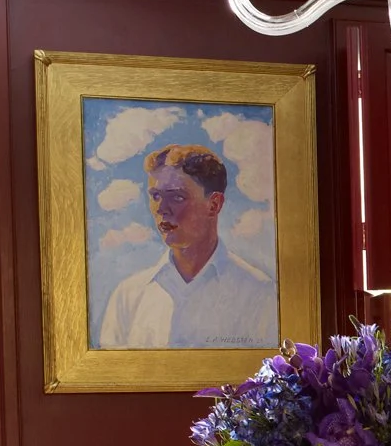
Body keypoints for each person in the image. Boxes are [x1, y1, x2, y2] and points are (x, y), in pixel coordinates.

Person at [97, 143, 277, 349]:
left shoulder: (259, 293)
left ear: (214, 204)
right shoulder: (128, 295)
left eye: (177, 197)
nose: (161, 209)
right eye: (155, 196)